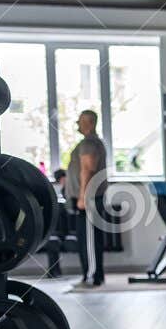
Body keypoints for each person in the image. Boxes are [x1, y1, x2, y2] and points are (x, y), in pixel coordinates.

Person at [65, 110, 109, 287]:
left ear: (90, 123)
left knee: (89, 240)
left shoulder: (89, 143)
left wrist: (83, 196)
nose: (78, 124)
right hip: (89, 199)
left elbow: (88, 170)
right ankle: (91, 274)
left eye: (81, 121)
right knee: (87, 239)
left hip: (89, 199)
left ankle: (92, 275)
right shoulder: (90, 142)